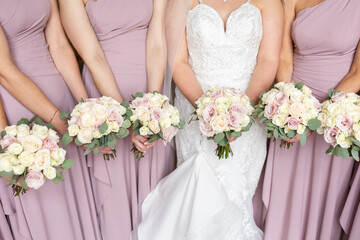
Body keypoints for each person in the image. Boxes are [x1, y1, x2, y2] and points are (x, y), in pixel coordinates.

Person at [134, 0, 283, 239]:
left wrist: (241, 113)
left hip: (248, 110)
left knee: (236, 192)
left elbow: (269, 60)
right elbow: (178, 61)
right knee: (198, 191)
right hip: (195, 109)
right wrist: (206, 111)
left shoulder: (270, 2)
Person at [59, 0, 175, 238]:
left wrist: (150, 109)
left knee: (156, 193)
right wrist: (126, 120)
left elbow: (156, 42)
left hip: (149, 83)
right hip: (106, 98)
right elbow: (93, 56)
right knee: (116, 196)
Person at [0, 0, 101, 238]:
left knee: (75, 196)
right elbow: (3, 71)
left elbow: (58, 45)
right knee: (46, 208)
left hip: (61, 99)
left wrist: (85, 108)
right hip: (20, 109)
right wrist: (54, 118)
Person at [260, 0, 360, 239]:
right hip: (294, 112)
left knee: (325, 195)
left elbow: (358, 72)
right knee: (284, 190)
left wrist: (325, 114)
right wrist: (290, 108)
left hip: (337, 119)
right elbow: (284, 58)